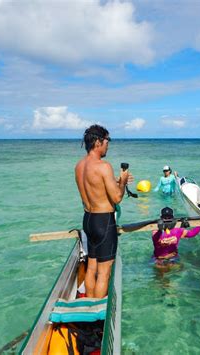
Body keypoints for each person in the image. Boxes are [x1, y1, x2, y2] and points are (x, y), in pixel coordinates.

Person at [75, 124, 133, 298]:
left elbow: (96, 187)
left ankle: (89, 306)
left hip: (88, 220)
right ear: (98, 141)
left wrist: (117, 180)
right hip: (104, 222)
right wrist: (122, 182)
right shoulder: (104, 166)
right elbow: (116, 198)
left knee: (91, 268)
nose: (109, 144)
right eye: (108, 140)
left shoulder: (79, 166)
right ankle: (98, 314)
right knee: (104, 272)